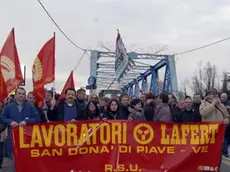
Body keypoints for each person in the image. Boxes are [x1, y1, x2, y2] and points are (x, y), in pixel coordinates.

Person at [2, 87, 41, 171]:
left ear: (25, 96)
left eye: (23, 94)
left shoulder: (30, 107)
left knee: (27, 163)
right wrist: (10, 122)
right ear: (15, 95)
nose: (21, 95)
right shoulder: (9, 107)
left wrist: (27, 121)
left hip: (27, 141)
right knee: (14, 163)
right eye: (19, 93)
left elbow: (37, 118)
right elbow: (3, 118)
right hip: (13, 140)